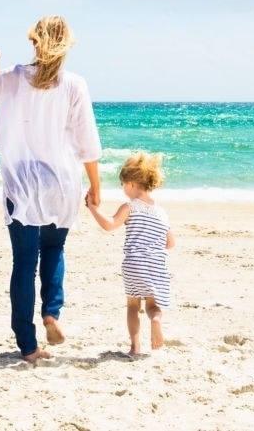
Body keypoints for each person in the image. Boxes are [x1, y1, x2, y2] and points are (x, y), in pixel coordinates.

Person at [0, 16, 102, 363]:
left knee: (25, 262)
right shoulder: (74, 84)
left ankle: (27, 345)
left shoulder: (12, 77)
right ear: (67, 46)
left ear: (34, 42)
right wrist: (96, 188)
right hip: (62, 182)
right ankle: (52, 313)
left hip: (21, 183)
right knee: (54, 251)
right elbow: (88, 142)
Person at [85, 150, 176, 358]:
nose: (123, 188)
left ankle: (135, 347)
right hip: (156, 264)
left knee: (133, 306)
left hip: (134, 263)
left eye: (123, 184)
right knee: (154, 305)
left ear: (132, 183)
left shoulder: (129, 207)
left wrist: (92, 207)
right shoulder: (162, 212)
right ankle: (156, 320)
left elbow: (109, 225)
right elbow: (170, 243)